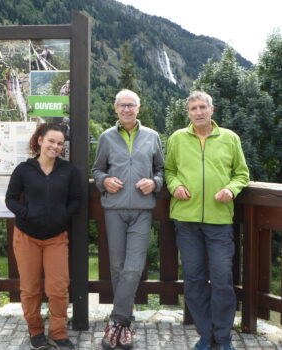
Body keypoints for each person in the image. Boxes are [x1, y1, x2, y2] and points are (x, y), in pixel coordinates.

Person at [165, 91, 250, 350]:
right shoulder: (178, 138)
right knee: (194, 278)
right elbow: (169, 171)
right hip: (186, 220)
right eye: (193, 108)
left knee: (223, 277)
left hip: (219, 220)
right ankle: (205, 334)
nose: (198, 112)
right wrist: (175, 186)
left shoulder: (230, 138)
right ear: (188, 113)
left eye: (203, 107)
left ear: (212, 110)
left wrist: (231, 190)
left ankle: (223, 337)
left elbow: (242, 174)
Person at [92, 89, 164, 350]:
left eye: (130, 105)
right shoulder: (106, 137)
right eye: (121, 105)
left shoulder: (152, 137)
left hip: (142, 211)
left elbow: (160, 170)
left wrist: (154, 183)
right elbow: (97, 169)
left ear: (139, 107)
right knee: (117, 267)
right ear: (115, 108)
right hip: (114, 210)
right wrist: (104, 181)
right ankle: (125, 326)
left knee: (133, 268)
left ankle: (116, 322)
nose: (126, 109)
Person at [5, 123, 81, 350]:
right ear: (40, 140)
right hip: (26, 236)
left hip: (56, 237)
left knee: (58, 288)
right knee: (30, 288)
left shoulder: (68, 170)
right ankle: (36, 331)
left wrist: (62, 217)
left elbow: (76, 200)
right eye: (51, 141)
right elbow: (10, 199)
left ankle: (58, 333)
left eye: (59, 143)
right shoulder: (24, 169)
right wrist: (26, 214)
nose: (55, 146)